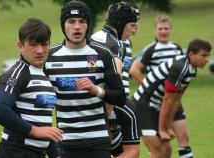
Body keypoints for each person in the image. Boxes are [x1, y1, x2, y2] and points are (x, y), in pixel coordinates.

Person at [44, 1, 126, 158]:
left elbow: (120, 96)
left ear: (88, 25)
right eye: (71, 21)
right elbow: (39, 105)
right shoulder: (49, 57)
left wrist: (97, 90)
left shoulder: (103, 54)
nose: (77, 27)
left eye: (82, 21)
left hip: (98, 142)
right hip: (65, 143)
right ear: (63, 25)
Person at [0, 18, 63, 158]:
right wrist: (33, 131)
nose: (40, 50)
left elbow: (42, 123)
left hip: (35, 153)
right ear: (20, 45)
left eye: (44, 44)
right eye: (33, 45)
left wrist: (55, 154)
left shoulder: (43, 75)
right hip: (15, 151)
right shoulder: (19, 74)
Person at [131, 38, 212, 158]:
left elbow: (177, 100)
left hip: (155, 106)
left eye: (208, 56)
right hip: (142, 106)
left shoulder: (192, 70)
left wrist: (168, 127)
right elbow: (168, 99)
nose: (206, 60)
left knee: (167, 150)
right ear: (191, 54)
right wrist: (162, 129)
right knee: (158, 151)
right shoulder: (180, 67)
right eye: (203, 55)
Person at [129, 15, 194, 158]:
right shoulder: (150, 49)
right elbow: (134, 70)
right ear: (155, 30)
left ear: (170, 29)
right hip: (155, 102)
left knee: (183, 138)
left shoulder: (176, 48)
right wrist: (151, 89)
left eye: (166, 28)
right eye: (160, 29)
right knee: (161, 148)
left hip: (173, 99)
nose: (163, 31)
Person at [92, 2, 141, 158]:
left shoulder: (93, 37)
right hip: (107, 104)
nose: (134, 31)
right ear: (120, 24)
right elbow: (114, 79)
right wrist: (107, 112)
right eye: (132, 25)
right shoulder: (116, 45)